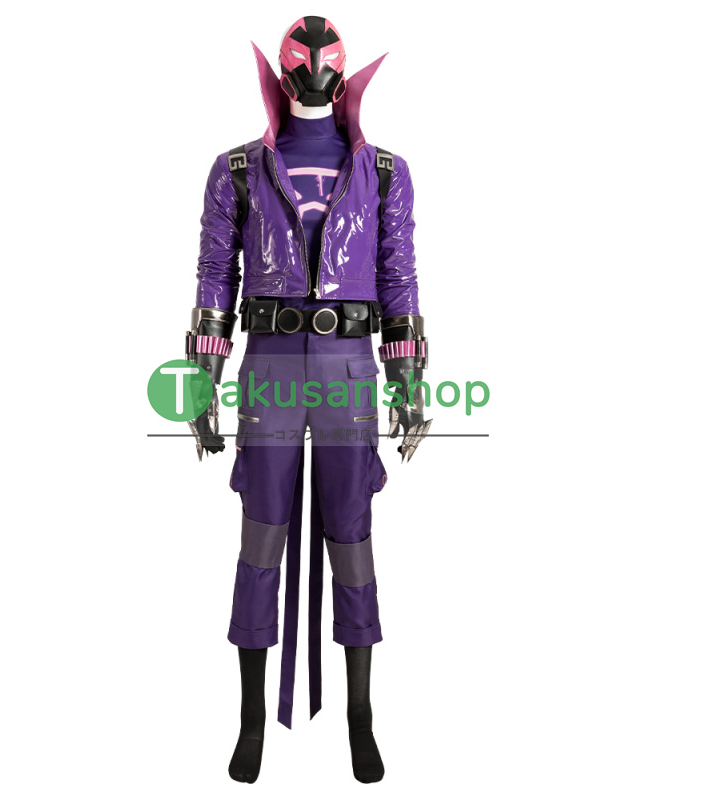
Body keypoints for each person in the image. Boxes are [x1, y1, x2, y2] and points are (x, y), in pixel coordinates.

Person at [183, 16, 431, 783]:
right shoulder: (236, 170)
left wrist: (409, 380)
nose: (315, 79)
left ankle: (360, 712)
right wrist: (202, 375)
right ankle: (251, 717)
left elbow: (398, 277)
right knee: (262, 533)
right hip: (270, 365)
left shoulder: (385, 172)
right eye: (303, 68)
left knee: (350, 534)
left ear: (342, 73)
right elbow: (214, 274)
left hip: (350, 367)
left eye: (326, 69)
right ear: (285, 75)